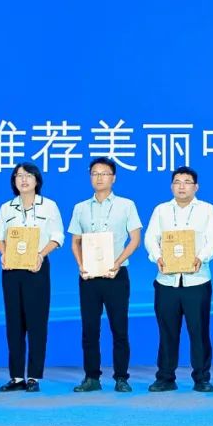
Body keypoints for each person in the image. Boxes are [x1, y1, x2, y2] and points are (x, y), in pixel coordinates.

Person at [143, 166, 213, 392]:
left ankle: (202, 378)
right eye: (177, 182)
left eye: (187, 182)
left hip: (196, 280)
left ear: (196, 187)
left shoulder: (207, 210)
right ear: (171, 186)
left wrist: (201, 257)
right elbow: (150, 238)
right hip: (166, 281)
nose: (182, 186)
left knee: (199, 332)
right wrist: (157, 256)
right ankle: (165, 378)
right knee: (167, 331)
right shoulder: (161, 210)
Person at [67, 157, 142, 393]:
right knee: (90, 329)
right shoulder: (80, 207)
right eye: (95, 173)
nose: (99, 178)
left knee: (119, 328)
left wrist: (117, 263)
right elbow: (75, 241)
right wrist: (81, 265)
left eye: (104, 173)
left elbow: (135, 239)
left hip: (116, 275)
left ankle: (121, 377)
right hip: (89, 277)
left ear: (113, 178)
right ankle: (92, 377)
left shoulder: (126, 205)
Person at [0, 162, 64, 393]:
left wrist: (41, 255)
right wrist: (4, 254)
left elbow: (57, 237)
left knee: (36, 323)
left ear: (37, 180)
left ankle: (33, 376)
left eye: (28, 176)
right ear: (14, 181)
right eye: (19, 176)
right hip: (12, 270)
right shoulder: (6, 208)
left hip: (36, 269)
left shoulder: (49, 206)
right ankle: (16, 377)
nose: (23, 180)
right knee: (14, 323)